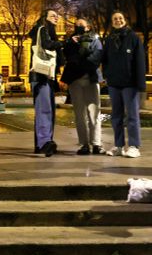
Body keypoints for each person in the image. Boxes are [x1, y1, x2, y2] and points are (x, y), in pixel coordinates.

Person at [101, 11, 145, 158]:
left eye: (120, 18)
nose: (118, 20)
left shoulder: (133, 38)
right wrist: (107, 75)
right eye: (115, 18)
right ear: (112, 22)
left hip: (130, 84)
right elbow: (105, 60)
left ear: (125, 20)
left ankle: (134, 146)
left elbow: (139, 61)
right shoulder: (109, 39)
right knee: (116, 116)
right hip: (114, 84)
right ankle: (118, 145)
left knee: (132, 116)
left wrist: (140, 85)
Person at [61, 18, 104, 155]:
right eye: (76, 24)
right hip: (75, 81)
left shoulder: (95, 39)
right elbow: (67, 57)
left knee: (94, 113)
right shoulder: (70, 40)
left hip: (90, 78)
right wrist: (70, 43)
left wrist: (80, 65)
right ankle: (84, 144)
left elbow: (97, 57)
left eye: (81, 24)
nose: (78, 26)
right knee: (79, 114)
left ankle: (96, 143)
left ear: (88, 27)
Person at [28, 9, 64, 157]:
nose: (56, 18)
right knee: (44, 110)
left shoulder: (49, 31)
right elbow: (48, 45)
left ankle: (43, 142)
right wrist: (64, 43)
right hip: (40, 75)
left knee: (48, 110)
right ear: (45, 18)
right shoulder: (42, 29)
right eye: (52, 16)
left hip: (46, 76)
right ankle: (44, 143)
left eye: (57, 16)